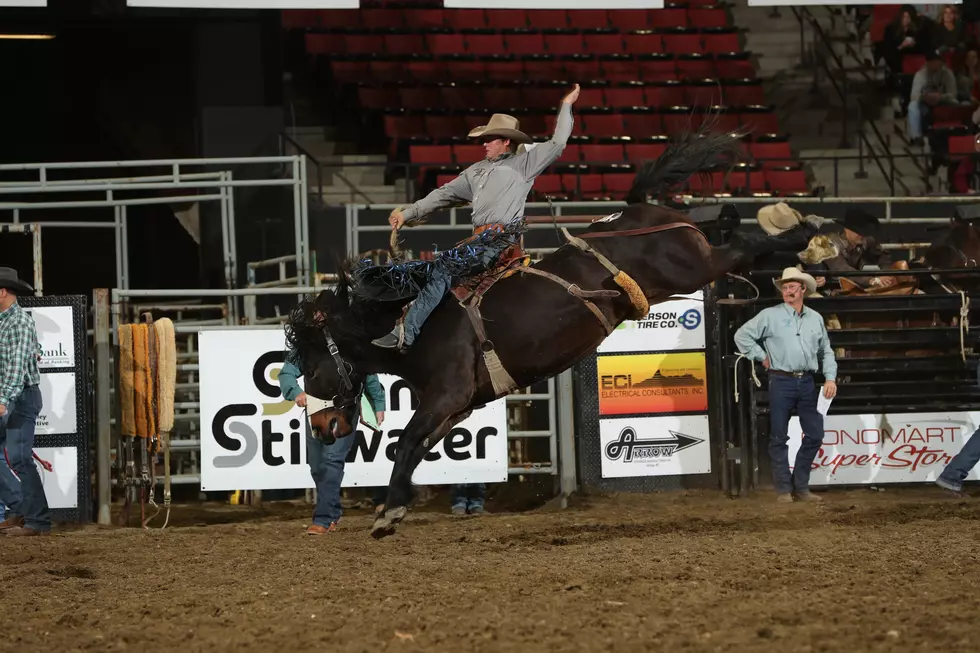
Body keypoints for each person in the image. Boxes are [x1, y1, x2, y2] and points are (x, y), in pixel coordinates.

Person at [371, 83, 581, 351]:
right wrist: (408, 212)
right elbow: (443, 194)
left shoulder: (523, 165)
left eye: (490, 138)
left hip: (499, 241)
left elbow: (558, 142)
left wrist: (565, 105)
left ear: (506, 141)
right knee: (436, 270)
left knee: (445, 267)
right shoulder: (475, 171)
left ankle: (407, 332)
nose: (484, 143)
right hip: (479, 241)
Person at [733, 267, 838, 503]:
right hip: (781, 380)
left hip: (807, 381)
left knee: (814, 434)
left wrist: (830, 377)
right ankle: (784, 489)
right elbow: (742, 335)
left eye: (792, 287)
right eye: (785, 287)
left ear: (803, 290)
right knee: (779, 436)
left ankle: (800, 487)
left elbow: (826, 350)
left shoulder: (815, 318)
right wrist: (761, 356)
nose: (787, 291)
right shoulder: (770, 315)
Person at [278, 335, 386, 534]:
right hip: (317, 409)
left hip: (345, 408)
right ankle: (332, 511)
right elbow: (286, 373)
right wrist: (295, 392)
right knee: (317, 465)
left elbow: (368, 375)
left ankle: (323, 520)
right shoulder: (307, 345)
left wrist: (378, 403)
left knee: (332, 459)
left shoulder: (353, 343)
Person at [0, 267, 49, 537]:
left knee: (19, 457)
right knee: (15, 457)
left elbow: (16, 369)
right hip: (11, 396)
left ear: (2, 292)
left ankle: (38, 521)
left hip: (19, 397)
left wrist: (4, 400)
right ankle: (22, 508)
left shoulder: (17, 321)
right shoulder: (8, 321)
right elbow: (25, 352)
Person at [908, 50, 959, 146]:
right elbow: (914, 96)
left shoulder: (947, 73)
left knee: (955, 102)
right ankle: (916, 137)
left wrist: (940, 97)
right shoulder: (921, 74)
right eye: (932, 61)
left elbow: (953, 94)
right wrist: (925, 97)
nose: (935, 64)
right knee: (912, 106)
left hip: (943, 100)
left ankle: (957, 131)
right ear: (928, 62)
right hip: (925, 102)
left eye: (937, 61)